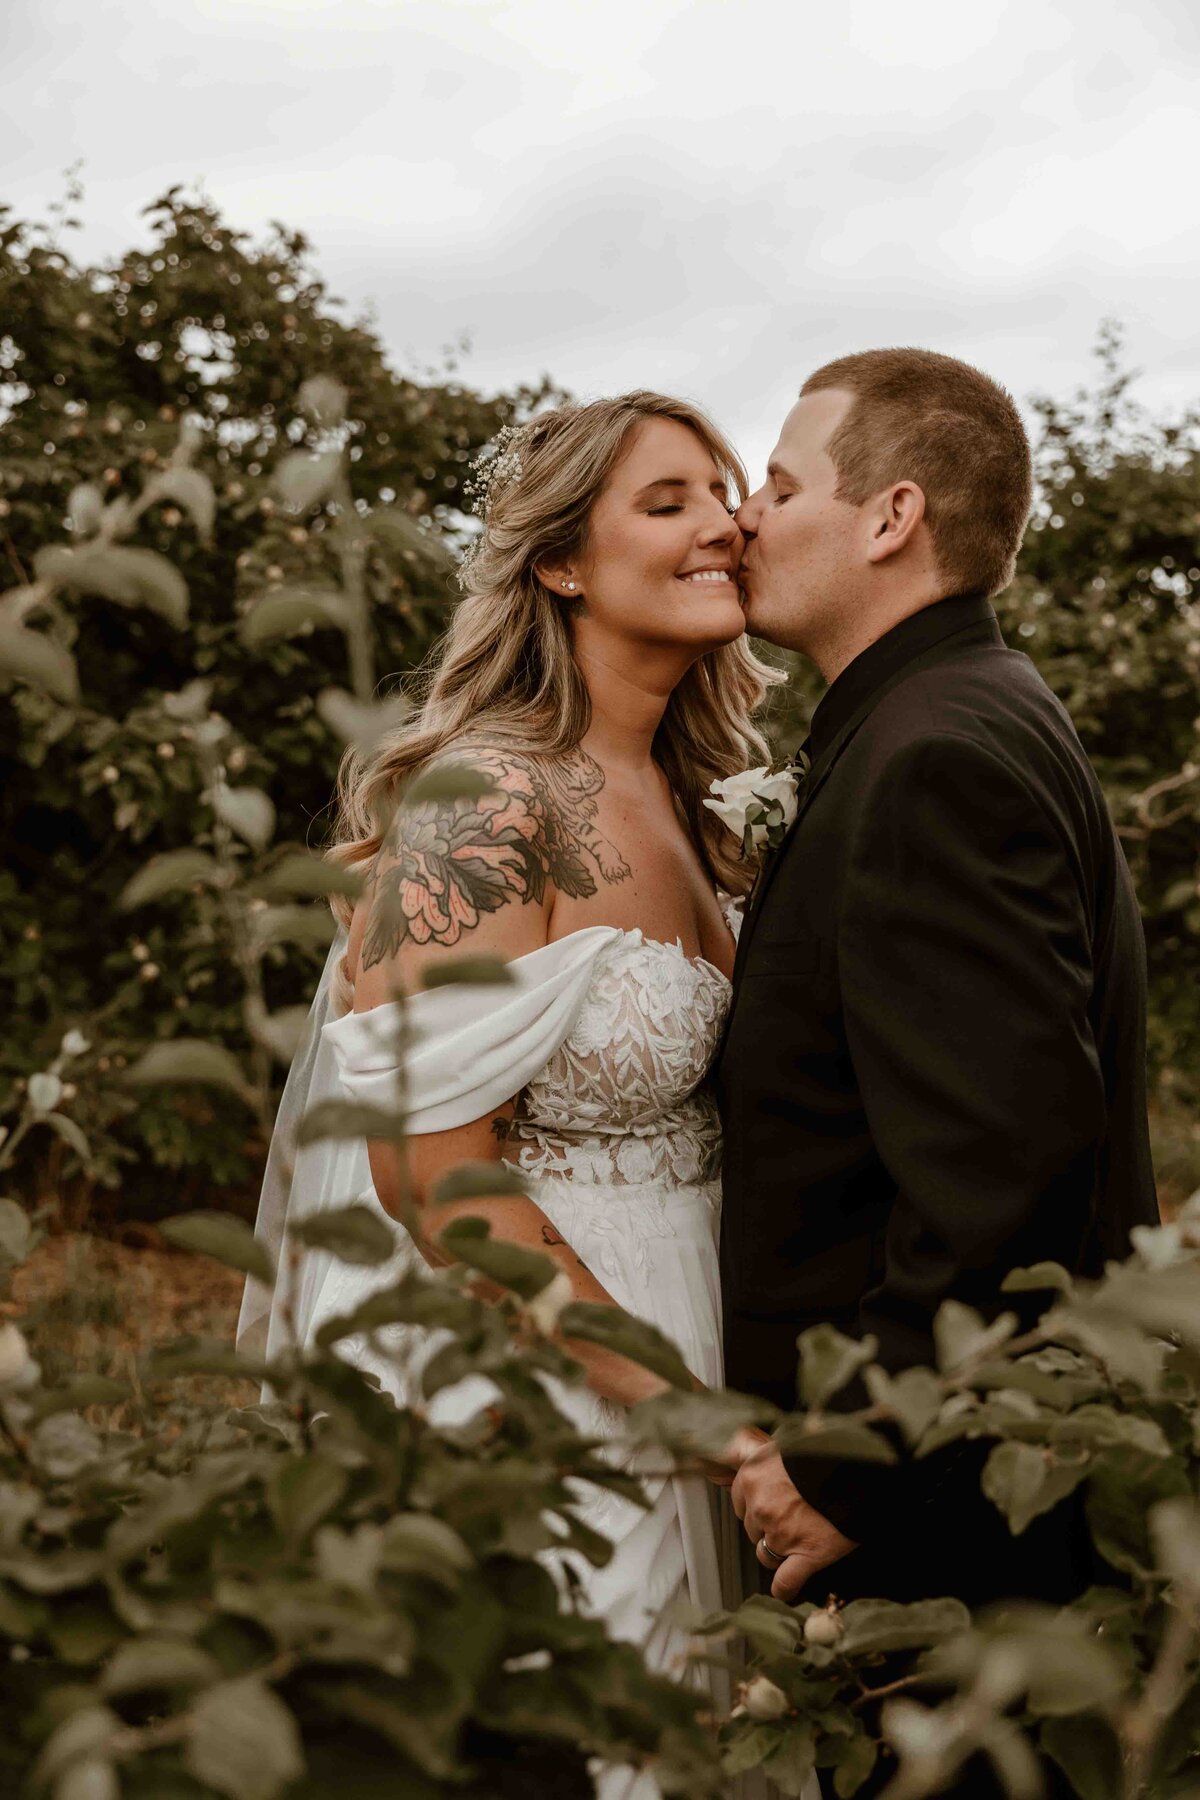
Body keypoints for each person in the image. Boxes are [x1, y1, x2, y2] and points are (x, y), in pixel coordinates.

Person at [238, 391, 793, 1799]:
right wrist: (687, 1415)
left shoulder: (699, 792)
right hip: (546, 1366)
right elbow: (438, 1183)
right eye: (668, 501)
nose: (725, 523)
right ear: (558, 564)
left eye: (725, 494)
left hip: (699, 1303)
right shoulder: (488, 801)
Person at [715, 348, 1159, 1799]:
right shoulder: (948, 712)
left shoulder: (932, 757)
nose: (747, 520)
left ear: (892, 515)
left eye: (780, 487)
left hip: (931, 1521)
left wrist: (848, 1464)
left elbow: (1003, 1167)